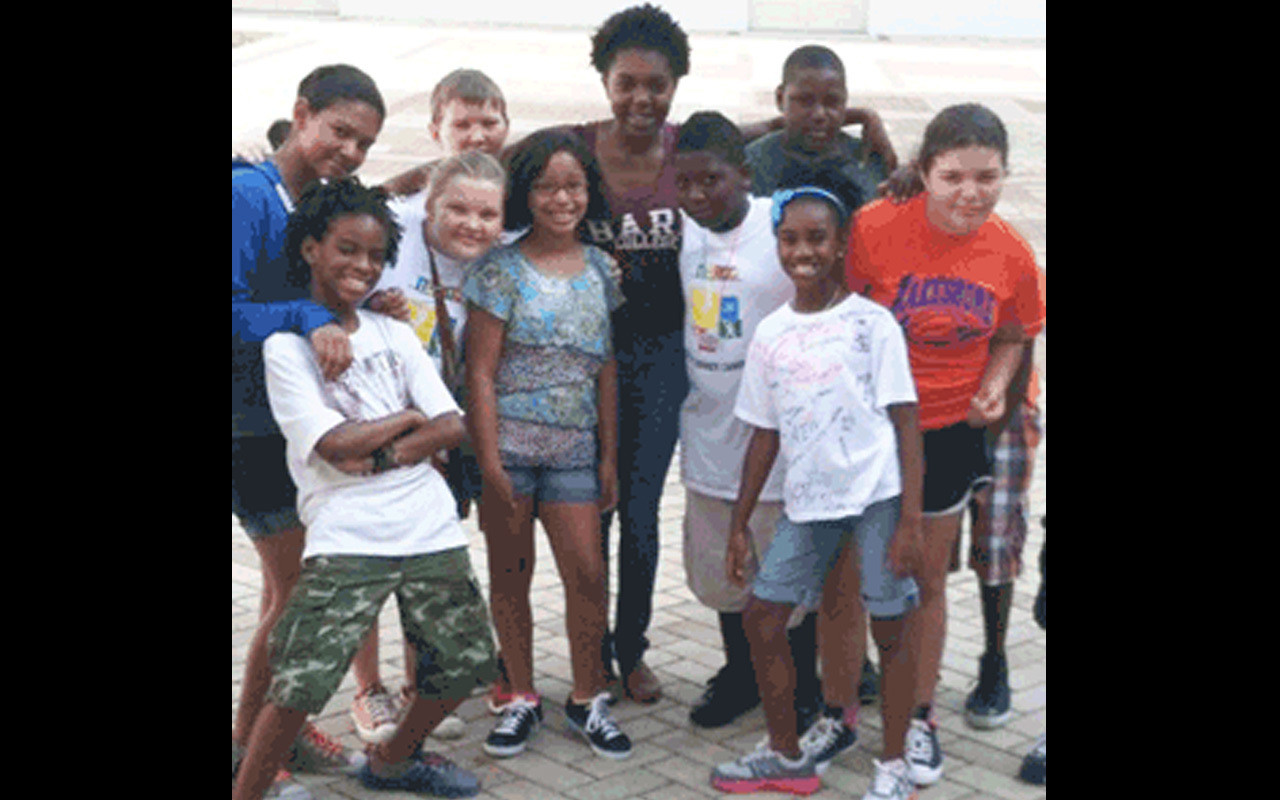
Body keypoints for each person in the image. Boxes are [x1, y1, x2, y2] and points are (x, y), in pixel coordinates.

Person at [233, 177, 499, 800]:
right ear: (311, 250)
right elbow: (330, 445)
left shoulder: (395, 332)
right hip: (347, 535)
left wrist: (387, 447)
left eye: (375, 256)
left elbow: (453, 424)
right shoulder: (285, 346)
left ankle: (394, 760)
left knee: (465, 664)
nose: (362, 266)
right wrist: (411, 423)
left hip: (428, 526)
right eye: (346, 249)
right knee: (299, 684)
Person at [845, 103, 1047, 787]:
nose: (970, 192)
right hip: (874, 431)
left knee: (926, 580)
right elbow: (841, 316)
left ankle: (922, 718)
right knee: (855, 573)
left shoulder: (1011, 252)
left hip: (951, 432)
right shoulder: (873, 229)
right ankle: (844, 708)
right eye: (954, 176)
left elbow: (1017, 333)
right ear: (922, 173)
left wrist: (995, 386)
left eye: (987, 177)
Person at [711, 186, 923, 799]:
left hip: (877, 495)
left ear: (840, 247)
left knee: (890, 621)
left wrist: (910, 519)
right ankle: (785, 755)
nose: (802, 250)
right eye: (790, 238)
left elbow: (906, 423)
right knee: (763, 614)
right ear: (777, 245)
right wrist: (738, 522)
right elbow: (764, 435)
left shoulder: (871, 324)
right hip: (810, 501)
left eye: (817, 238)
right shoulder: (772, 334)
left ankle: (894, 763)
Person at [232, 63, 384, 796]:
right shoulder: (246, 193)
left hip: (286, 426)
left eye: (365, 143)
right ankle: (251, 753)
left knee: (281, 593)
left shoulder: (309, 201)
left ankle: (275, 734)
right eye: (340, 132)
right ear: (301, 114)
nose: (350, 151)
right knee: (296, 594)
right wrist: (308, 315)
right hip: (246, 428)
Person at [464, 129, 634, 761]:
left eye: (574, 185)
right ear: (525, 194)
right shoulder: (498, 270)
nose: (562, 198)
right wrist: (487, 461)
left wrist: (609, 455)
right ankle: (522, 697)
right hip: (508, 448)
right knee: (511, 575)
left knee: (587, 575)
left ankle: (588, 697)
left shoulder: (601, 269)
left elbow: (606, 367)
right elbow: (479, 370)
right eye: (546, 186)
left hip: (575, 453)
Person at [346, 151, 508, 746]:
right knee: (365, 563)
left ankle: (419, 686)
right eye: (457, 209)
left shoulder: (499, 248)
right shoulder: (391, 230)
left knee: (420, 562)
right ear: (427, 205)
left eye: (486, 213)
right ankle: (368, 689)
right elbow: (334, 276)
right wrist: (366, 307)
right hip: (368, 428)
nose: (473, 223)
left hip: (439, 437)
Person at [671, 111, 796, 730]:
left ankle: (797, 679)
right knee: (726, 568)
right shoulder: (684, 232)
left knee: (782, 568)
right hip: (709, 433)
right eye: (685, 183)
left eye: (711, 181)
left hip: (775, 441)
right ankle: (741, 674)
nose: (697, 196)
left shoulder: (782, 223)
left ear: (744, 176)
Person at [746, 44, 895, 208]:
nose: (819, 114)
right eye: (805, 101)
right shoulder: (754, 164)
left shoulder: (869, 163)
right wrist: (864, 115)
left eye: (832, 102)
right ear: (780, 99)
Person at [380, 68, 511, 198]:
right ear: (435, 133)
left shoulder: (527, 185)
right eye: (462, 126)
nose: (477, 137)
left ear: (506, 126)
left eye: (489, 124)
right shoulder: (407, 203)